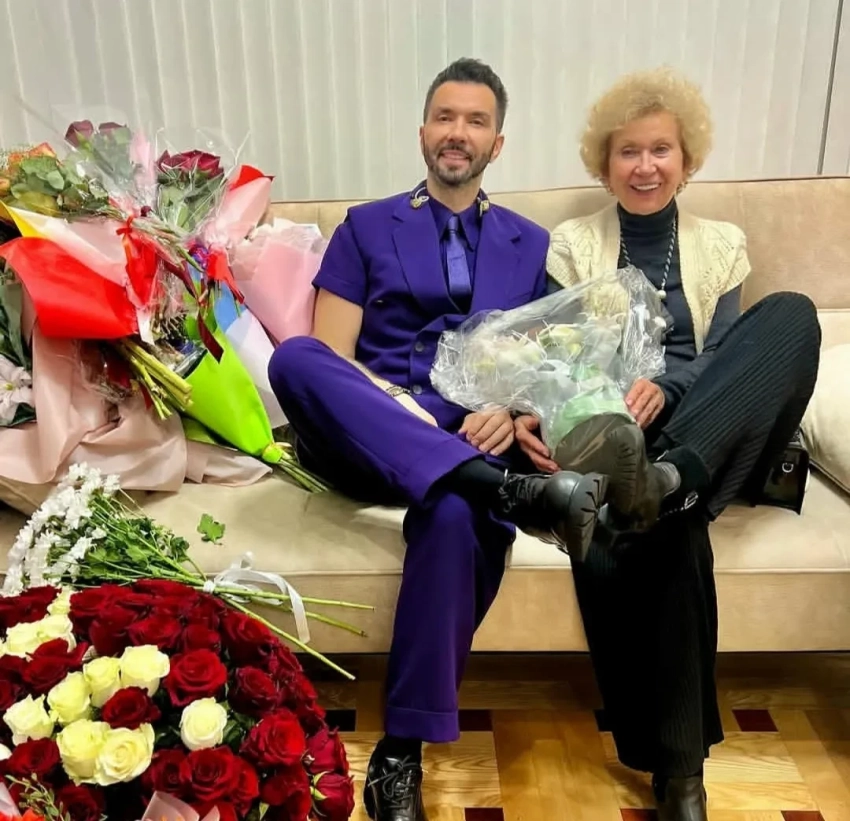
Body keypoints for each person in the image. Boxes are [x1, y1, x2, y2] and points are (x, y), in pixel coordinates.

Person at [268, 58, 607, 821]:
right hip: (373, 435)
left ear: (497, 142)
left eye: (476, 121)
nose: (459, 132)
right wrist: (421, 419)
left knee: (455, 515)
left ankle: (400, 753)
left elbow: (545, 367)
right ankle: (511, 492)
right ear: (423, 131)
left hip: (476, 438)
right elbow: (333, 359)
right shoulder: (365, 226)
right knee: (294, 359)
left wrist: (511, 413)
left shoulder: (531, 245)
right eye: (446, 117)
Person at [515, 68, 821, 821]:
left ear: (687, 159)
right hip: (618, 437)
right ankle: (682, 778)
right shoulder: (573, 243)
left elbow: (727, 355)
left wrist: (670, 387)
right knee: (668, 522)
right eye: (628, 151)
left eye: (661, 150)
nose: (645, 166)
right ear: (604, 162)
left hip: (714, 429)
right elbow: (560, 355)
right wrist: (591, 403)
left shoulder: (723, 244)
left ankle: (668, 475)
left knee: (792, 313)